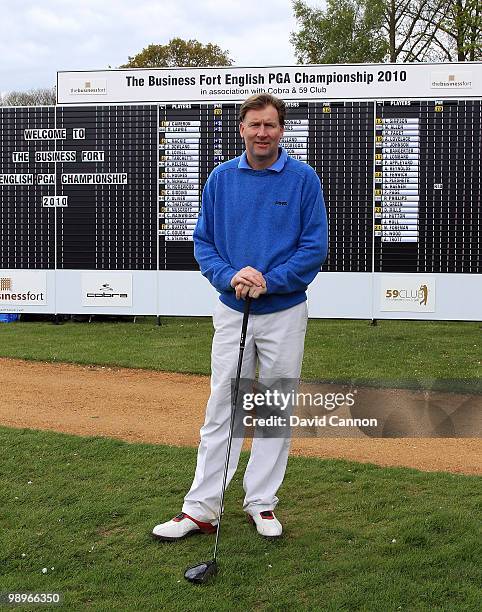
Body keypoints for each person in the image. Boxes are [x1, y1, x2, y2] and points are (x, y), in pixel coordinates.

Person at [152, 93, 328, 540]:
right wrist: (232, 277)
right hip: (233, 310)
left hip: (284, 311)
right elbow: (204, 244)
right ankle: (201, 508)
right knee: (222, 409)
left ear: (281, 130)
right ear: (242, 129)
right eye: (254, 125)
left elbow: (314, 247)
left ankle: (261, 503)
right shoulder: (221, 178)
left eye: (270, 125)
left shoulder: (303, 180)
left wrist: (270, 280)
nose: (262, 133)